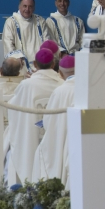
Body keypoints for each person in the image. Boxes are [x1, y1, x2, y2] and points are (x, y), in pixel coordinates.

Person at [6, 48, 64, 183]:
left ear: (35, 65)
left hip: (32, 135)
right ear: (53, 65)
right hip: (55, 137)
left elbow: (13, 109)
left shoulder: (27, 85)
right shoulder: (62, 85)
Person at [32, 55, 76, 188]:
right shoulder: (87, 89)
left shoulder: (59, 91)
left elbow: (48, 121)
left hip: (59, 139)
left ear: (60, 73)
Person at [3, 0, 50, 72]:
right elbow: (8, 43)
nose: (27, 9)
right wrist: (16, 58)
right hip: (20, 63)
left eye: (30, 7)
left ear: (34, 8)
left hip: (40, 63)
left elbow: (46, 41)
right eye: (25, 6)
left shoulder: (40, 21)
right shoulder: (11, 22)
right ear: (19, 7)